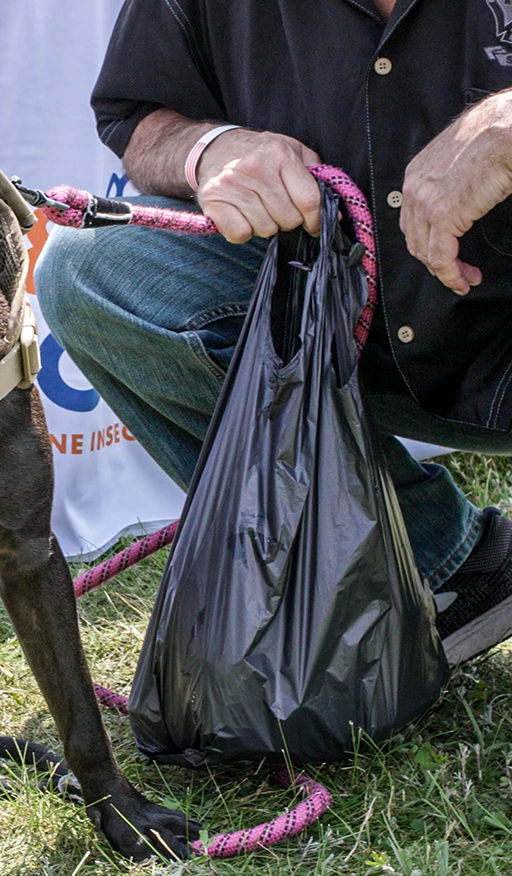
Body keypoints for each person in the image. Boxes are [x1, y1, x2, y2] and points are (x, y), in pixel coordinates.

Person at [34, 0, 512, 666]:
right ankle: (445, 568)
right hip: (337, 332)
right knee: (91, 270)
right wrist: (211, 150)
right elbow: (139, 116)